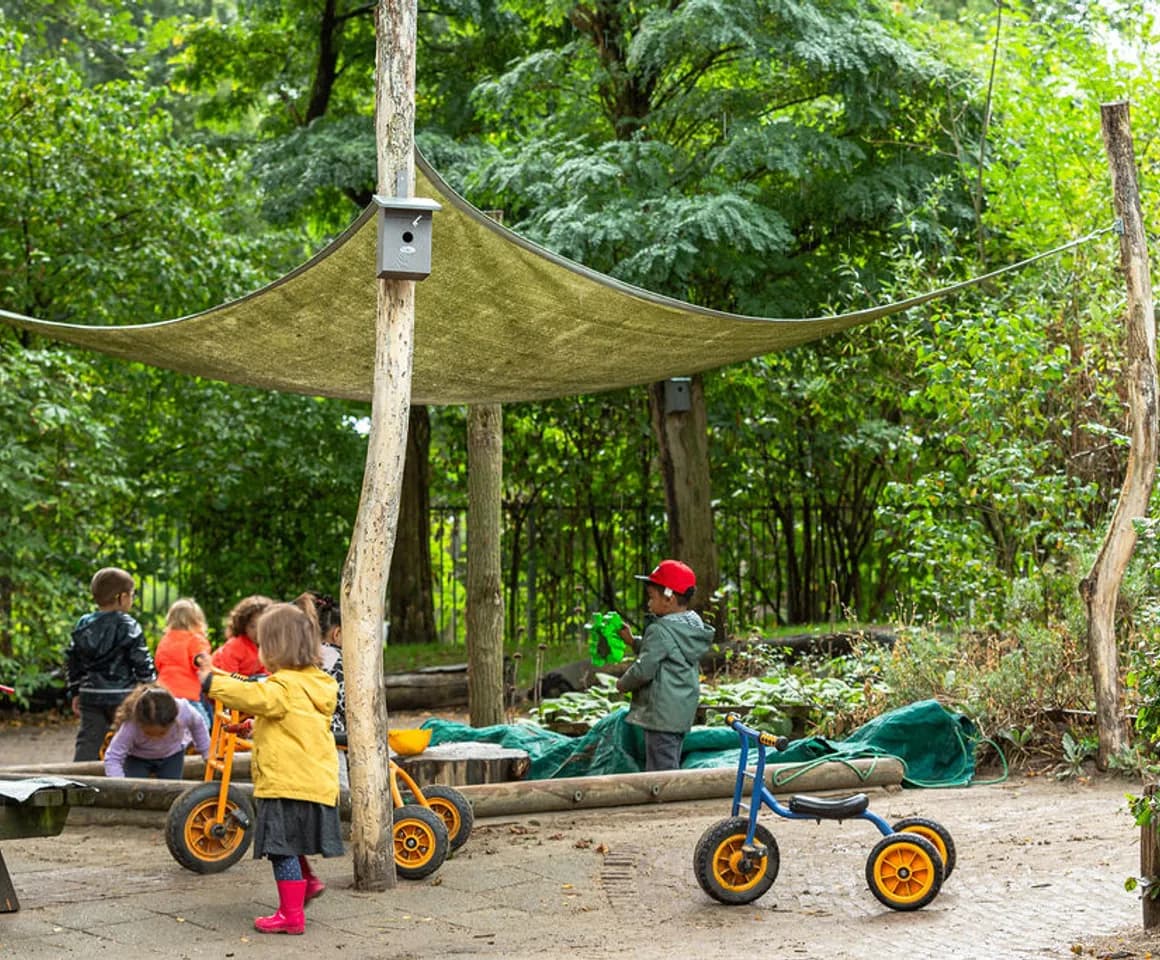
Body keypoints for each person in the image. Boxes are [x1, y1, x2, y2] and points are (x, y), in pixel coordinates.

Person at [199, 602, 342, 936]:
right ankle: (306, 884)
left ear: (276, 648)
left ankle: (291, 916)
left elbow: (251, 694)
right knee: (290, 842)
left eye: (263, 645)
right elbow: (291, 722)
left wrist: (210, 681)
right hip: (312, 782)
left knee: (281, 849)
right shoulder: (314, 683)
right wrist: (254, 726)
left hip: (286, 783)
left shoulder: (281, 687)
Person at [615, 559, 715, 772]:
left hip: (660, 714)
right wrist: (633, 641)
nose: (649, 604)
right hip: (680, 711)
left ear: (669, 598)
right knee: (670, 761)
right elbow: (668, 651)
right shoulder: (690, 626)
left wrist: (622, 684)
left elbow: (644, 669)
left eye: (652, 597)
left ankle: (666, 804)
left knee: (661, 773)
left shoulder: (659, 630)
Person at [65, 567, 157, 761]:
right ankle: (125, 779)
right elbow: (140, 659)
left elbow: (73, 660)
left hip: (91, 694)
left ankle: (82, 780)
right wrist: (149, 686)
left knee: (89, 741)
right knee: (127, 739)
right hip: (123, 696)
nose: (132, 599)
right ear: (122, 597)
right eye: (132, 595)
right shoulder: (128, 625)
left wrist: (75, 691)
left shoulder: (84, 624)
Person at [103, 683, 210, 779]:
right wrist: (120, 783)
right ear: (140, 723)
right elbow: (113, 757)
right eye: (149, 734)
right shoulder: (131, 725)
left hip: (172, 755)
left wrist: (206, 753)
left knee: (171, 790)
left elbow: (198, 725)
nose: (156, 737)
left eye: (162, 733)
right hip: (138, 758)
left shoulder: (184, 711)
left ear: (173, 721)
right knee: (135, 791)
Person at [299, 592, 348, 790]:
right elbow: (345, 704)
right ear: (337, 633)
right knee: (340, 796)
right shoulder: (341, 660)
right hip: (331, 739)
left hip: (300, 735)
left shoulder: (301, 655)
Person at [154, 598, 213, 729]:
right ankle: (189, 743)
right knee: (203, 724)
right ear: (197, 620)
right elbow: (200, 661)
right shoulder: (195, 639)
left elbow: (158, 663)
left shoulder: (165, 640)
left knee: (169, 725)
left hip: (164, 692)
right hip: (187, 695)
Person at [211, 595, 273, 677]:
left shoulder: (266, 646)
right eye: (252, 626)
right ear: (243, 626)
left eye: (262, 625)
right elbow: (229, 676)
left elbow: (264, 672)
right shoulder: (235, 646)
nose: (257, 631)